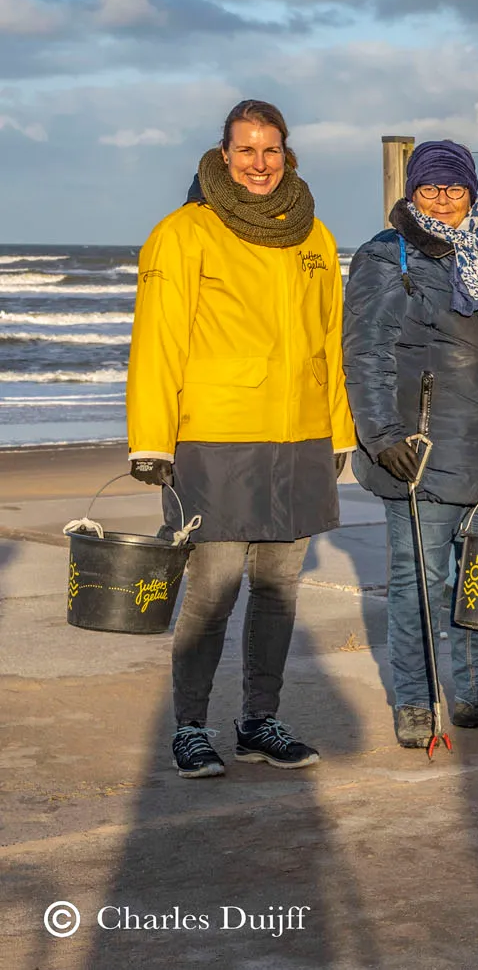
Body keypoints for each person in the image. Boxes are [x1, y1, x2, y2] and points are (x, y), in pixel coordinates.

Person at [128, 99, 354, 779]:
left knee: (280, 587)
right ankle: (191, 725)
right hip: (215, 440)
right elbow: (158, 342)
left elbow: (329, 343)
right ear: (224, 154)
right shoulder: (182, 233)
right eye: (246, 149)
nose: (259, 163)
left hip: (299, 435)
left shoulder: (314, 235)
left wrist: (338, 428)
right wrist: (152, 440)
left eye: (271, 150)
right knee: (213, 588)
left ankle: (260, 719)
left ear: (288, 153)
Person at [344, 140, 478, 748]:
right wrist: (382, 435)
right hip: (421, 451)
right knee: (419, 584)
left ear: (471, 189)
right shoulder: (388, 256)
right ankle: (414, 698)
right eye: (430, 187)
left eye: (454, 186)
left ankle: (474, 692)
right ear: (412, 192)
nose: (443, 198)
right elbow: (366, 350)